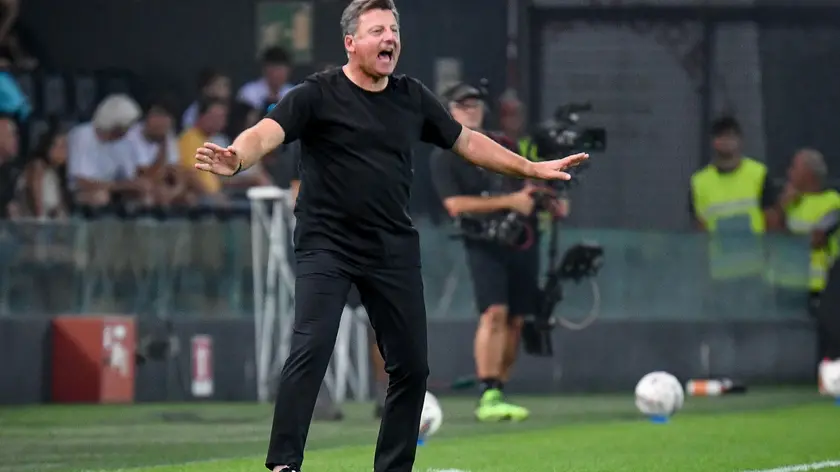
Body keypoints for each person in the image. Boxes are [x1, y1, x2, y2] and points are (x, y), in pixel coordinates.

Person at [193, 1, 587, 471]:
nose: (390, 38)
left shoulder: (411, 96)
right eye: (377, 29)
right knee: (312, 348)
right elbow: (266, 132)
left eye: (394, 30)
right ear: (350, 42)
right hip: (327, 243)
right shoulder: (316, 94)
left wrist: (530, 167)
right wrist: (236, 156)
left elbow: (466, 141)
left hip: (391, 246)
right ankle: (283, 465)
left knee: (412, 368)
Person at [430, 82, 562, 422]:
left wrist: (546, 199)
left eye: (475, 103)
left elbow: (525, 182)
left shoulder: (504, 145)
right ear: (450, 110)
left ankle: (499, 389)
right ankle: (487, 389)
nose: (471, 108)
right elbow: (455, 205)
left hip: (521, 239)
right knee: (494, 313)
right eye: (463, 104)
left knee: (517, 318)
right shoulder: (444, 154)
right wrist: (509, 202)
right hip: (483, 242)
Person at [765, 149, 840, 359]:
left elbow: (817, 239)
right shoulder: (790, 202)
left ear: (808, 173)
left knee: (825, 335)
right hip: (786, 283)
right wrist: (781, 207)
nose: (789, 172)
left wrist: (788, 238)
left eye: (794, 168)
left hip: (818, 286)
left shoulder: (832, 202)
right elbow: (770, 233)